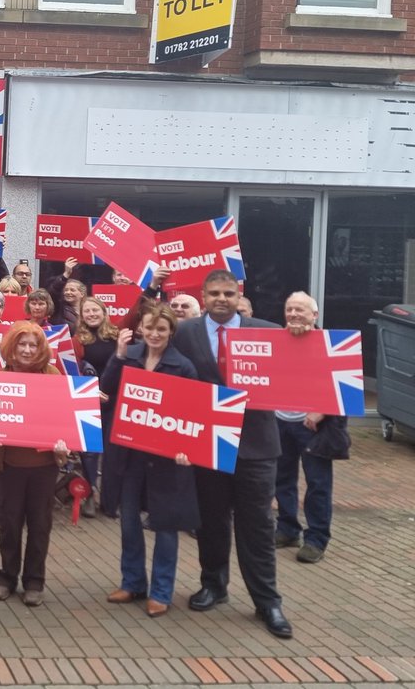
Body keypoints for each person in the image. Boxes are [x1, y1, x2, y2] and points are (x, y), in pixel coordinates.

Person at [172, 269, 292, 639]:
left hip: (256, 446)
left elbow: (305, 362)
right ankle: (214, 584)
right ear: (203, 297)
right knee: (211, 520)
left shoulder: (269, 332)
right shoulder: (186, 331)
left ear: (239, 294)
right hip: (207, 442)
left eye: (228, 293)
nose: (220, 299)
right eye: (213, 294)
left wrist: (302, 332)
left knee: (256, 525)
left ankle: (267, 600)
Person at [100, 306, 200, 617]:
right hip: (129, 456)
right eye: (149, 328)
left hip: (166, 460)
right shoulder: (127, 355)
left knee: (165, 526)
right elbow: (106, 390)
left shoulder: (183, 366)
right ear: (141, 328)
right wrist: (118, 355)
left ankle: (160, 591)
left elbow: (191, 413)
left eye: (162, 329)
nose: (155, 334)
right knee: (129, 522)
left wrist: (187, 449)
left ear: (171, 332)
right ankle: (132, 582)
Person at [0, 322, 69, 607]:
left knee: (40, 524)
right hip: (9, 465)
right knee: (9, 522)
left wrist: (64, 441)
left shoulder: (53, 376)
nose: (28, 350)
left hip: (43, 466)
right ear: (12, 348)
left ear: (41, 348)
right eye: (22, 344)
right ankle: (7, 577)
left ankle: (34, 581)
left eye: (33, 345)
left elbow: (67, 418)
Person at [274, 292, 349, 565]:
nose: (294, 314)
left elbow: (346, 383)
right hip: (280, 421)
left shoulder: (331, 344)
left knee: (317, 484)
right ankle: (287, 529)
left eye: (300, 310)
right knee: (282, 479)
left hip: (312, 427)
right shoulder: (274, 341)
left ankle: (316, 539)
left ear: (314, 316)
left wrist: (323, 409)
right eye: (289, 309)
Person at [76, 296, 121, 518]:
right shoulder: (78, 340)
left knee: (112, 452)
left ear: (104, 312)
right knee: (90, 451)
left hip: (114, 399)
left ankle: (110, 499)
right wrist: (91, 392)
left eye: (95, 310)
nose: (91, 314)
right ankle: (89, 494)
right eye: (87, 311)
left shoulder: (117, 336)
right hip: (88, 400)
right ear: (81, 315)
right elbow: (74, 370)